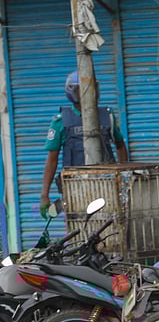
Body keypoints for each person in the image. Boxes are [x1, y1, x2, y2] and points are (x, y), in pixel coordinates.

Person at [40, 72, 129, 216]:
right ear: (72, 92)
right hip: (75, 188)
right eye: (82, 89)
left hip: (106, 186)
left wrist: (124, 177)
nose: (88, 92)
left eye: (91, 87)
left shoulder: (107, 116)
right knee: (78, 227)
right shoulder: (61, 121)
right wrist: (44, 195)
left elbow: (120, 145)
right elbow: (52, 159)